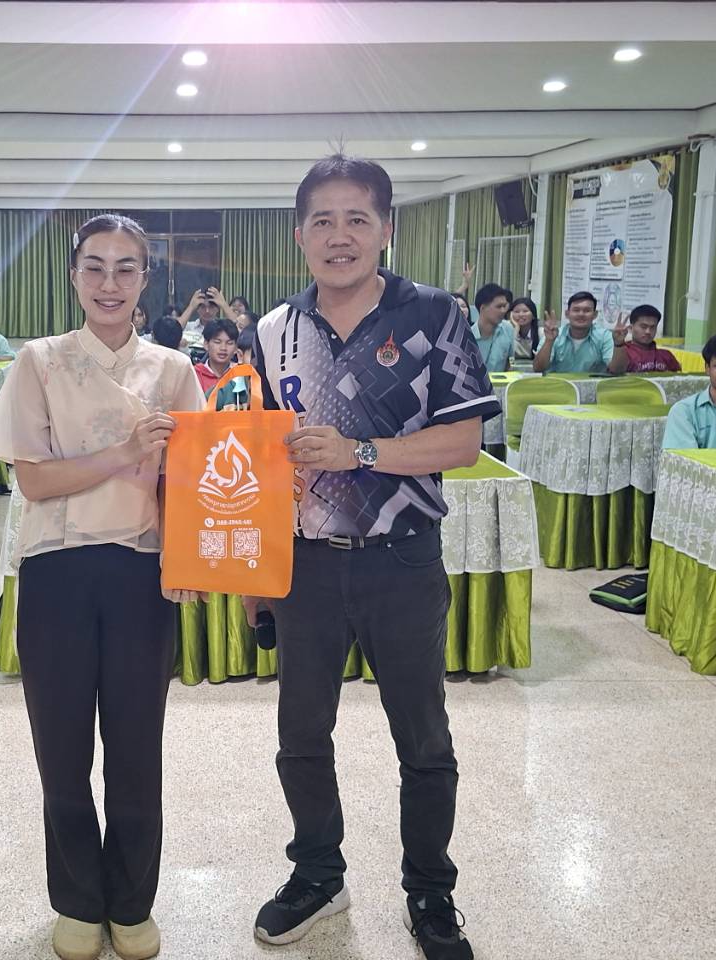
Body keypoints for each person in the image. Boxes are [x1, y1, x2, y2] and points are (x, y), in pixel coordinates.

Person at [244, 155, 493, 960]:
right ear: (299, 235)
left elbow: (463, 441)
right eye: (322, 220)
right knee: (299, 735)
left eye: (356, 218)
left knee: (422, 740)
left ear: (384, 228)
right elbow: (259, 457)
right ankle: (317, 874)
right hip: (304, 564)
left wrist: (358, 452)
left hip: (401, 558)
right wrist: (254, 574)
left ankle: (430, 891)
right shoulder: (274, 330)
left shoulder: (434, 313)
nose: (339, 235)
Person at [0, 214, 203, 960]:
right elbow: (35, 481)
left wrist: (189, 562)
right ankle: (76, 900)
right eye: (95, 267)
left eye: (125, 268)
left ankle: (131, 902)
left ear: (145, 279)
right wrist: (124, 451)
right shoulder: (39, 361)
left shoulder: (174, 370)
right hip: (57, 570)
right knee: (62, 746)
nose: (110, 283)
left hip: (141, 571)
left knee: (137, 747)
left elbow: (189, 483)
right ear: (73, 277)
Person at [533, 291, 612, 374]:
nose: (581, 314)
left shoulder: (604, 336)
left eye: (587, 310)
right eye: (576, 310)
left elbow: (615, 369)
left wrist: (619, 345)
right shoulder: (554, 334)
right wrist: (549, 341)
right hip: (558, 382)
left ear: (595, 314)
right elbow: (538, 368)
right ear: (567, 314)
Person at [607, 304, 680, 373]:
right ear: (631, 328)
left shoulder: (666, 356)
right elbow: (616, 372)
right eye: (643, 327)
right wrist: (618, 343)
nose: (648, 331)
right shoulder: (624, 352)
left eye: (652, 327)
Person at [468, 282, 516, 373]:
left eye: (504, 306)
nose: (503, 311)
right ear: (483, 308)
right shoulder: (468, 337)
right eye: (499, 307)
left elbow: (510, 362)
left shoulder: (507, 328)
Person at [193, 317, 240, 395]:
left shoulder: (241, 375)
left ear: (236, 348)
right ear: (206, 344)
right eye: (217, 342)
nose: (223, 348)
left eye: (229, 343)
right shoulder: (194, 374)